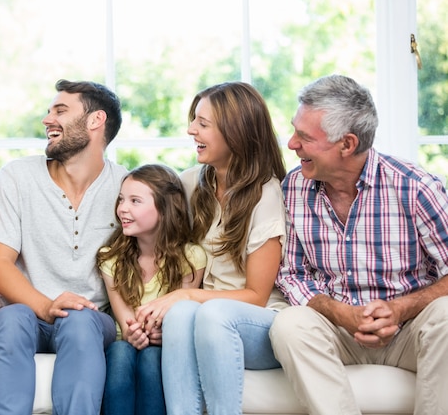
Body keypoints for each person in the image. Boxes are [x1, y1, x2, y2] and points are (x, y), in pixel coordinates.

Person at [270, 74, 448, 414]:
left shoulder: (416, 188)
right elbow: (291, 273)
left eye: (304, 137)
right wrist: (341, 314)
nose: (292, 144)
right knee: (289, 324)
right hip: (337, 330)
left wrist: (398, 310)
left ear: (347, 144)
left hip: (409, 331)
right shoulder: (293, 187)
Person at [135, 82, 288, 415]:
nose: (191, 130)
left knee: (205, 312)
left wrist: (185, 295)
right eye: (194, 121)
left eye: (203, 123)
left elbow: (257, 296)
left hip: (257, 325)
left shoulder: (267, 194)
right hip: (203, 317)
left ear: (235, 132)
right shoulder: (191, 183)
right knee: (181, 314)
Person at [0, 79, 128, 415]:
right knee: (13, 318)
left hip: (87, 321)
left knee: (80, 319)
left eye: (60, 110)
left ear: (95, 121)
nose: (47, 119)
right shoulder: (17, 176)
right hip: (21, 313)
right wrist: (46, 307)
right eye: (49, 111)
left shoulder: (125, 186)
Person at [98, 164, 206, 415]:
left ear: (166, 209)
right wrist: (133, 333)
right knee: (121, 352)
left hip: (163, 347)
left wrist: (162, 334)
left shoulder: (190, 258)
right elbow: (125, 322)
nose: (122, 208)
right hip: (122, 343)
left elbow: (179, 316)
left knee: (151, 358)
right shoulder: (110, 258)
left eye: (135, 201)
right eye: (122, 199)